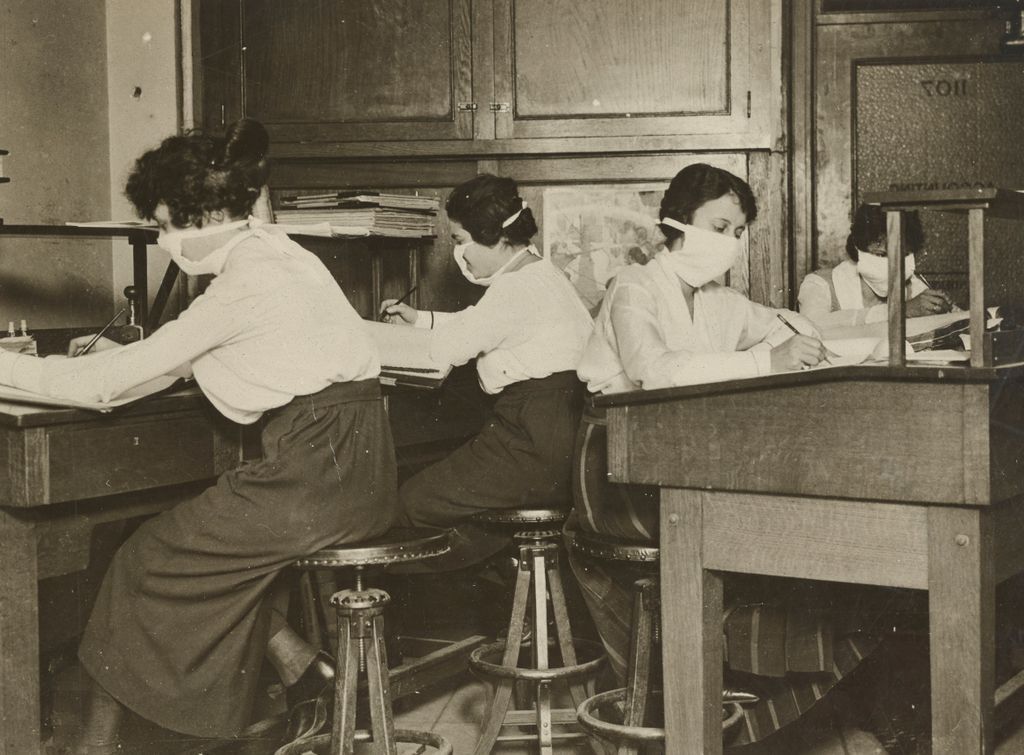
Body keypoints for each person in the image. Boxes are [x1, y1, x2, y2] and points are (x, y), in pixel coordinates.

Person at [0, 119, 398, 753]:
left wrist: (11, 365)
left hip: (311, 477)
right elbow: (205, 353)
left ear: (206, 214)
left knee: (141, 561)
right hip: (357, 467)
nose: (163, 241)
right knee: (182, 549)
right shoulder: (286, 255)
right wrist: (135, 357)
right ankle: (299, 664)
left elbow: (106, 388)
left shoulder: (241, 283)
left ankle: (92, 747)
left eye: (163, 225)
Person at [569, 163, 884, 746]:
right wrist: (769, 360)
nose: (731, 243)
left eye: (740, 232)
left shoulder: (719, 300)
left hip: (682, 462)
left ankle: (745, 708)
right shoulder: (634, 286)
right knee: (766, 538)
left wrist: (798, 340)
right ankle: (709, 700)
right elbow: (652, 370)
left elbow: (779, 324)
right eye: (720, 226)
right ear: (678, 221)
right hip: (615, 465)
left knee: (802, 535)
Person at [381, 173, 594, 567]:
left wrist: (373, 339)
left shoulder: (513, 289)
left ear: (495, 238)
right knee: (463, 519)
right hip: (558, 442)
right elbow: (481, 325)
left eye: (460, 241)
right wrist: (421, 321)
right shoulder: (541, 275)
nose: (459, 255)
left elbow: (449, 348)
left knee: (408, 505)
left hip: (529, 441)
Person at [798, 203, 953, 333]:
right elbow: (811, 327)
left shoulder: (913, 286)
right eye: (880, 254)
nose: (892, 265)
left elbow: (958, 321)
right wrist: (900, 311)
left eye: (902, 255)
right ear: (858, 249)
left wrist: (944, 313)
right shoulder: (820, 284)